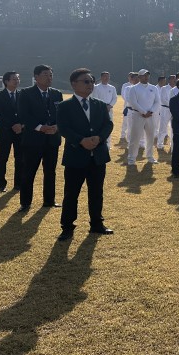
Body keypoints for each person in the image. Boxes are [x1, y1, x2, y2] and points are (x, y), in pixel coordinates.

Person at [56, 68, 114, 240]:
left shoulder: (99, 104)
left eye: (92, 81)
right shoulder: (65, 106)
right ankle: (67, 227)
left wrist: (99, 138)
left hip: (98, 156)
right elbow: (64, 128)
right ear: (74, 84)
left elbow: (108, 125)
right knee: (71, 193)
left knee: (96, 192)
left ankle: (96, 224)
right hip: (76, 156)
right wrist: (81, 140)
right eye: (86, 81)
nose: (91, 84)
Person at [18, 64, 63, 211]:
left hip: (52, 139)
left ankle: (49, 200)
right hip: (33, 139)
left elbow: (61, 115)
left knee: (50, 172)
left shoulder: (56, 93)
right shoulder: (26, 93)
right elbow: (24, 114)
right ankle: (25, 203)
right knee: (29, 172)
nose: (49, 78)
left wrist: (56, 127)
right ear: (36, 77)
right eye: (45, 75)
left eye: (50, 75)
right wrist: (39, 127)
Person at [0, 71, 23, 192]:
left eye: (17, 79)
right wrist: (12, 125)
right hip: (5, 131)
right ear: (6, 81)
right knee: (2, 158)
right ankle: (1, 183)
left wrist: (20, 125)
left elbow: (26, 112)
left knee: (20, 158)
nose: (17, 81)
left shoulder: (22, 95)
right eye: (14, 79)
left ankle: (18, 183)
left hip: (20, 132)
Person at [126, 69, 160, 166]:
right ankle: (131, 158)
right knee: (135, 137)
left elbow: (157, 101)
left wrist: (151, 111)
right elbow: (133, 102)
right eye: (144, 75)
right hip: (138, 115)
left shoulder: (154, 88)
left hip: (150, 116)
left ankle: (150, 156)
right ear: (139, 77)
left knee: (150, 137)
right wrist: (143, 112)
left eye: (147, 75)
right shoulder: (134, 88)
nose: (146, 77)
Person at [92, 71, 118, 149]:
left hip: (109, 109)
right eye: (105, 76)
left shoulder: (112, 88)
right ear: (101, 77)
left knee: (108, 126)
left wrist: (110, 106)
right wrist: (103, 107)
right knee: (99, 126)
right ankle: (99, 142)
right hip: (99, 109)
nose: (106, 78)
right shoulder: (96, 87)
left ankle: (108, 145)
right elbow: (95, 98)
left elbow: (115, 98)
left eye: (108, 76)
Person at [156, 75, 177, 150]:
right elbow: (163, 99)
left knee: (174, 127)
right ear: (169, 80)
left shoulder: (177, 89)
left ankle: (173, 144)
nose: (175, 80)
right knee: (163, 127)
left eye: (175, 79)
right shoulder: (164, 88)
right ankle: (160, 144)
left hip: (174, 110)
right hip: (165, 109)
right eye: (173, 79)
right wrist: (173, 105)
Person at [119, 72, 138, 144]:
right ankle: (123, 135)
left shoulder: (139, 86)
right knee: (126, 123)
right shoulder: (126, 85)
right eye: (130, 77)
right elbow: (124, 96)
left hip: (137, 109)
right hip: (128, 106)